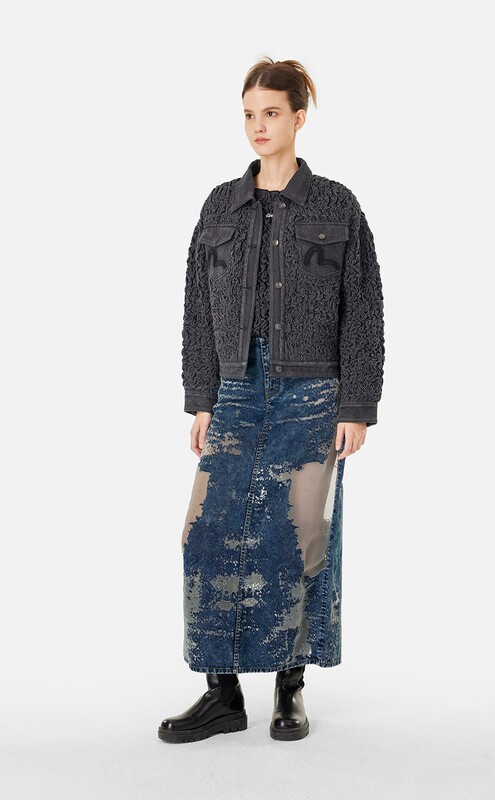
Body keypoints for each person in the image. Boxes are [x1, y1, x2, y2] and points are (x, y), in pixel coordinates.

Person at [158, 57, 385, 743]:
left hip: (314, 392)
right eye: (249, 115)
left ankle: (291, 686)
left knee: (301, 535)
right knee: (205, 532)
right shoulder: (219, 206)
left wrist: (357, 404)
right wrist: (202, 397)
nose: (258, 126)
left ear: (298, 117)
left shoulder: (336, 205)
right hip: (235, 389)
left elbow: (363, 307)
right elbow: (197, 308)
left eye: (272, 113)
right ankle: (221, 692)